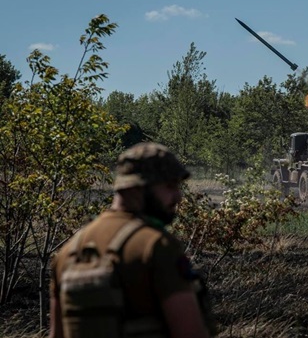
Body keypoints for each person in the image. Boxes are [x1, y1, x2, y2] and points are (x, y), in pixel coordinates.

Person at [49, 142, 213, 338]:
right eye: (169, 186)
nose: (178, 197)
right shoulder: (156, 246)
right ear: (136, 188)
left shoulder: (68, 252)